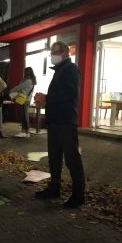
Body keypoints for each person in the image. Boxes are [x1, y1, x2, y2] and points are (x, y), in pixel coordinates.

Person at [34, 41, 85, 209]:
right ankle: (54, 188)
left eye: (54, 52)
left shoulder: (71, 69)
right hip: (55, 121)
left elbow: (70, 93)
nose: (52, 56)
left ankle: (78, 196)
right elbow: (59, 94)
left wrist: (47, 99)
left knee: (72, 160)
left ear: (65, 52)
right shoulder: (60, 70)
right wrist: (45, 99)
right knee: (54, 158)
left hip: (65, 121)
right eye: (51, 53)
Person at [10, 67, 36, 138]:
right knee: (24, 115)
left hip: (24, 100)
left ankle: (25, 132)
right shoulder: (31, 80)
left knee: (24, 116)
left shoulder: (28, 81)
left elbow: (19, 87)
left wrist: (11, 90)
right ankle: (25, 132)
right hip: (26, 99)